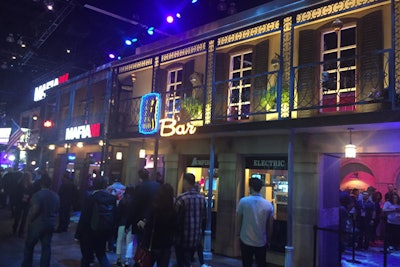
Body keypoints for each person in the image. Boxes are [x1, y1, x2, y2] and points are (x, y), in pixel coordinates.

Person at [75, 176, 117, 267]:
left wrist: (78, 234)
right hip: (104, 231)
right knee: (101, 254)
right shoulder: (112, 199)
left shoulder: (91, 198)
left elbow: (84, 217)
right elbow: (115, 216)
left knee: (86, 256)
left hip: (89, 231)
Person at [21, 174, 60, 267]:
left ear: (41, 184)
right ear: (50, 185)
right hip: (50, 224)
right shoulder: (56, 196)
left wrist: (27, 224)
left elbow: (34, 210)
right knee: (46, 248)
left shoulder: (37, 195)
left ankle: (27, 265)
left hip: (37, 224)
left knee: (29, 246)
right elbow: (57, 210)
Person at [237, 177, 274, 267]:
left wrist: (238, 235)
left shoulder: (243, 201)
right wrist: (268, 240)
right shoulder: (268, 205)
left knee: (246, 263)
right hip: (261, 241)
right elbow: (270, 226)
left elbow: (239, 220)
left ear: (250, 187)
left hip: (245, 239)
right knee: (261, 263)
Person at [137, 183, 176, 267]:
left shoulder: (155, 207)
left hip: (152, 244)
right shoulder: (173, 209)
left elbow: (150, 225)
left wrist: (143, 224)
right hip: (166, 245)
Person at [174, 173, 207, 267]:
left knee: (182, 261)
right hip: (196, 237)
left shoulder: (181, 198)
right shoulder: (202, 199)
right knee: (188, 260)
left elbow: (176, 218)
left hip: (182, 238)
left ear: (185, 182)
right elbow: (204, 217)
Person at [115, 185, 135, 267]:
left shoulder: (122, 201)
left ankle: (119, 258)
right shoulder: (134, 202)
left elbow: (118, 213)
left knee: (119, 240)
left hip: (121, 223)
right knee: (129, 243)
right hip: (130, 224)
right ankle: (127, 260)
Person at [12, 172, 33, 237]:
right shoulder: (19, 184)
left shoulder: (30, 185)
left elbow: (31, 193)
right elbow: (16, 193)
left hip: (26, 202)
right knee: (18, 217)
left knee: (24, 217)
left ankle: (20, 231)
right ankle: (15, 229)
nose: (27, 178)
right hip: (20, 202)